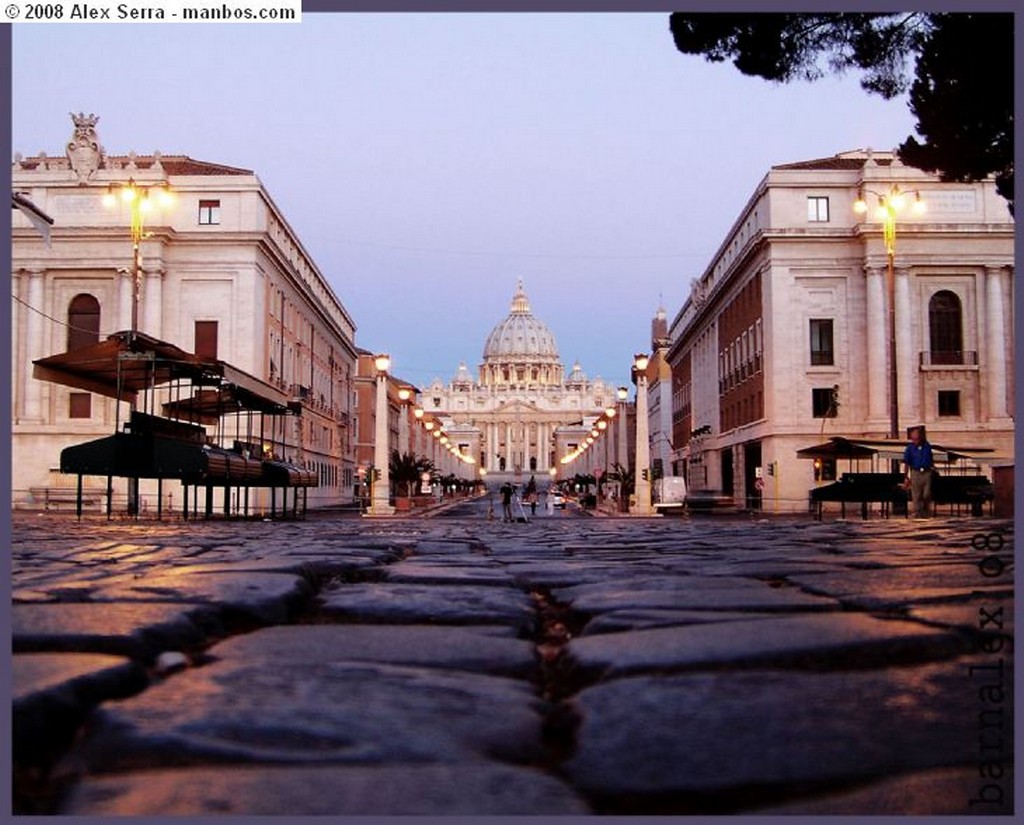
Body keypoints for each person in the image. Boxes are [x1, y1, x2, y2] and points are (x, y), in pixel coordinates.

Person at [903, 426, 935, 518]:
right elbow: (907, 463)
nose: (916, 441)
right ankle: (918, 513)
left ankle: (926, 512)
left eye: (917, 438)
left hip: (926, 472)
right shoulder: (909, 448)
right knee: (916, 495)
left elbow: (930, 459)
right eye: (914, 439)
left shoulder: (927, 446)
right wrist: (906, 477)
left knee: (926, 494)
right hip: (916, 472)